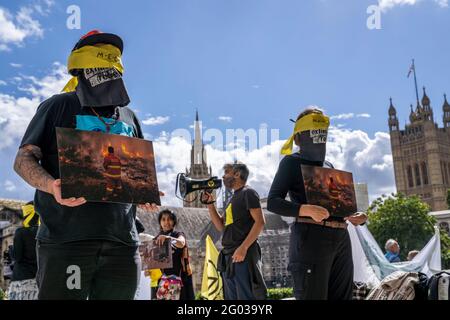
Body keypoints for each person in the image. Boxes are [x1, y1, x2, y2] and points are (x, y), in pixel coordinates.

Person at [13, 30, 161, 300]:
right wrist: (51, 185)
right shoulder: (57, 106)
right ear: (79, 66)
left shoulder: (129, 116)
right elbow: (23, 159)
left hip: (122, 243)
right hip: (66, 241)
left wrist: (145, 191)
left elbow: (133, 174)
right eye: (97, 52)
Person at [267, 107, 368, 300]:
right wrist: (304, 209)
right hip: (310, 239)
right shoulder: (290, 162)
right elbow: (273, 202)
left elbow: (339, 206)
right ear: (299, 136)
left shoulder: (329, 165)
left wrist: (358, 217)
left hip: (341, 238)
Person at [203, 162, 267, 300]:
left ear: (237, 174)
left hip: (243, 255)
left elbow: (260, 222)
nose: (223, 176)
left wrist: (243, 248)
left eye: (226, 172)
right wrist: (210, 205)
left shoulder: (248, 193)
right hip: (229, 256)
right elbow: (221, 226)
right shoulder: (232, 198)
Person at [154, 209, 194, 300]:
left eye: (169, 219)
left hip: (179, 278)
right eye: (163, 219)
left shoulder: (177, 234)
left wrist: (168, 238)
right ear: (160, 222)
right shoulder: (157, 238)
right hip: (164, 280)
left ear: (174, 221)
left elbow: (182, 243)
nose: (166, 222)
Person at [7, 202, 40, 300]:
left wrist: (11, 249)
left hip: (21, 279)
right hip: (39, 280)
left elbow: (17, 256)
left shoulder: (21, 232)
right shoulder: (44, 233)